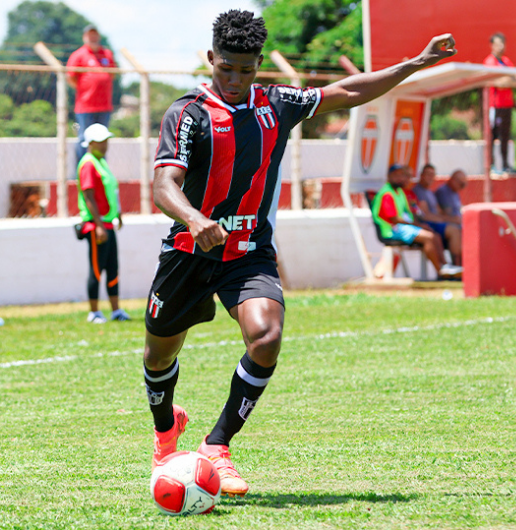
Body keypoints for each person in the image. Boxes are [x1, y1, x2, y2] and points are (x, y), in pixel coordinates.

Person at [143, 8, 458, 497]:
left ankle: (216, 446)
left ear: (259, 65)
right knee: (159, 354)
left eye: (245, 70)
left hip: (247, 252)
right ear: (211, 58)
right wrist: (193, 218)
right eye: (226, 67)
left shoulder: (277, 104)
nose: (235, 79)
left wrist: (413, 63)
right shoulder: (187, 115)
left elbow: (348, 92)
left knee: (266, 337)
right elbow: (164, 184)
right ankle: (166, 431)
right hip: (188, 250)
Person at [76, 123, 130, 324]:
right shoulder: (88, 163)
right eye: (101, 141)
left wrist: (118, 214)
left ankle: (116, 310)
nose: (105, 144)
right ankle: (94, 312)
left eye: (106, 140)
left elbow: (110, 191)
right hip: (96, 225)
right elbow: (89, 197)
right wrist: (98, 225)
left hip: (107, 224)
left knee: (112, 268)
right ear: (90, 143)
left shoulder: (101, 162)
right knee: (97, 269)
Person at [373, 165, 463, 278]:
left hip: (401, 227)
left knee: (435, 236)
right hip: (391, 230)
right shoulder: (387, 194)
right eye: (396, 175)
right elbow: (395, 219)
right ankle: (440, 271)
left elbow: (409, 214)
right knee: (429, 237)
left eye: (402, 175)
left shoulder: (399, 192)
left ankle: (445, 266)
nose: (400, 178)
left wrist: (420, 225)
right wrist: (418, 225)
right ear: (389, 176)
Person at [66, 24, 117, 165]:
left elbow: (112, 74)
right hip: (85, 106)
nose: (93, 38)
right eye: (90, 35)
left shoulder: (107, 54)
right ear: (84, 37)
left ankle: (100, 170)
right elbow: (70, 77)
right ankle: (83, 170)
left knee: (102, 139)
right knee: (84, 138)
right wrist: (85, 88)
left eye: (95, 35)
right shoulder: (79, 55)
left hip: (105, 106)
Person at [411, 164, 462, 265]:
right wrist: (446, 219)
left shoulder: (429, 192)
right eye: (428, 174)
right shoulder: (418, 191)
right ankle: (456, 264)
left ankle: (457, 266)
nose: (431, 177)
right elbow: (425, 215)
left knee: (459, 229)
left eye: (433, 175)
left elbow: (438, 212)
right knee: (454, 231)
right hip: (428, 224)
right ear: (422, 175)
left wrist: (449, 218)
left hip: (437, 223)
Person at [483, 32, 516, 173]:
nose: (501, 46)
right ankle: (490, 166)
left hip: (507, 105)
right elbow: (497, 83)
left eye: (503, 43)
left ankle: (505, 166)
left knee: (505, 137)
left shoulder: (506, 61)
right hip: (494, 106)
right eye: (498, 43)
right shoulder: (490, 62)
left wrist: (506, 79)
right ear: (492, 46)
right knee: (492, 136)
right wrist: (507, 79)